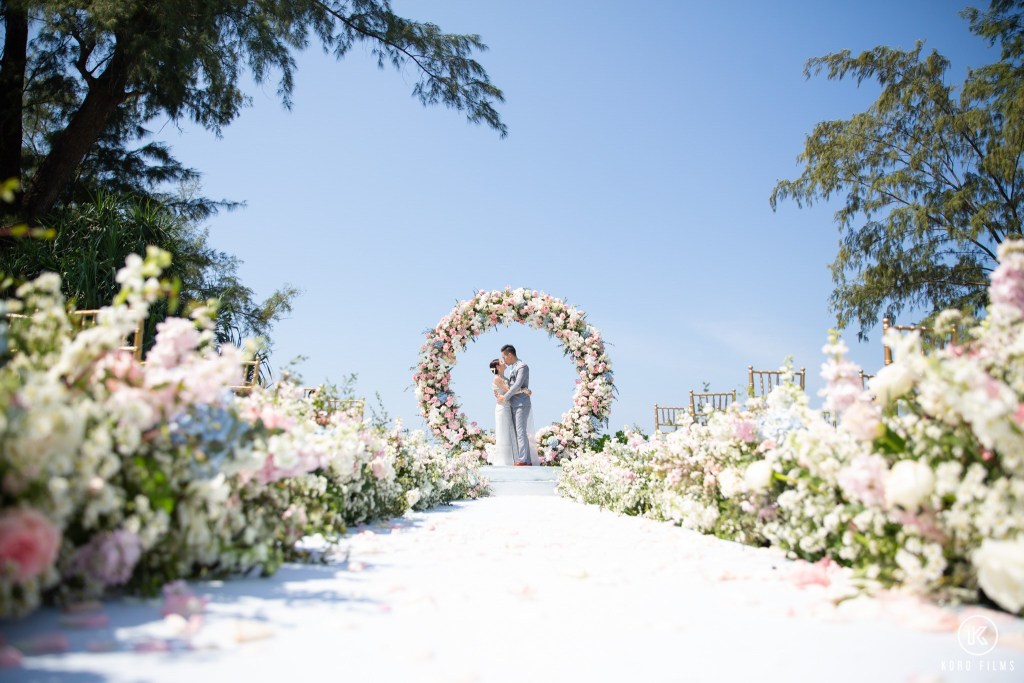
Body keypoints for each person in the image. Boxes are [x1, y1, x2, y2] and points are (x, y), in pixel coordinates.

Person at [495, 344, 537, 466]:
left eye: (504, 357)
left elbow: (517, 385)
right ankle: (524, 459)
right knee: (518, 432)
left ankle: (524, 459)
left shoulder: (522, 366)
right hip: (514, 403)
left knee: (520, 431)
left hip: (521, 403)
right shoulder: (514, 367)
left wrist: (505, 397)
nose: (504, 360)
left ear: (510, 355)